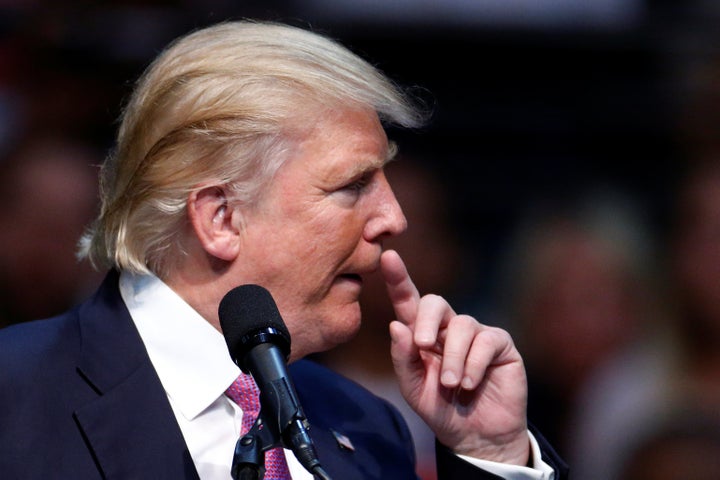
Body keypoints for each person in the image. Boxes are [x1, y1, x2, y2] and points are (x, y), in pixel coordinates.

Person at [0, 20, 567, 479]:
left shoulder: (367, 425)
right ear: (221, 219)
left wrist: (492, 454)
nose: (394, 218)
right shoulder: (15, 396)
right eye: (353, 185)